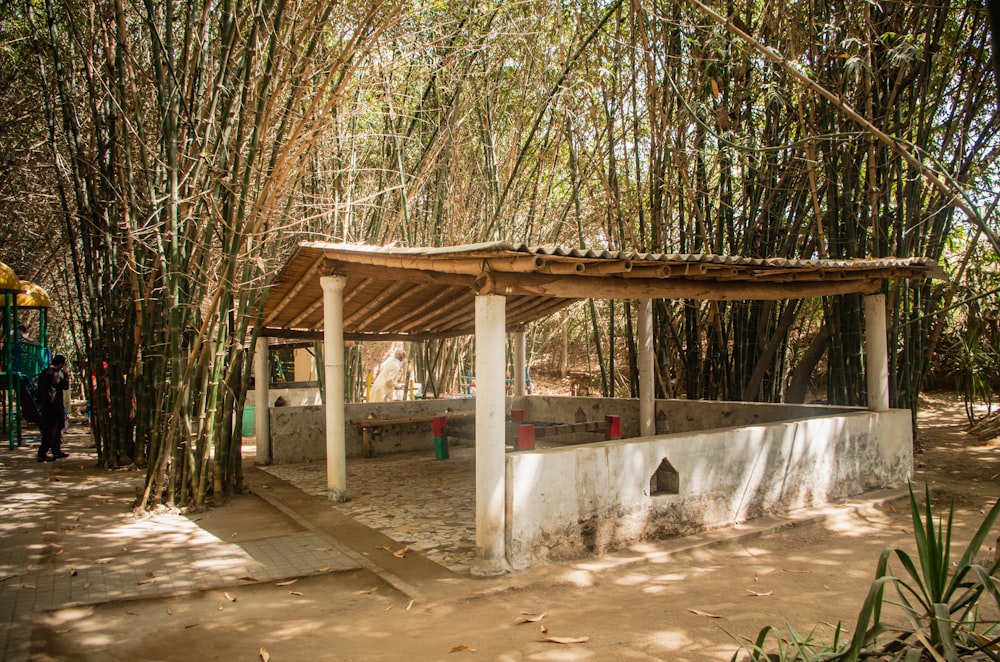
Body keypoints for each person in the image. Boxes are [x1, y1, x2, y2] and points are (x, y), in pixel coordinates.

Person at [37, 354, 70, 462]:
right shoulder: (53, 374)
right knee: (51, 431)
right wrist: (65, 375)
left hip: (48, 405)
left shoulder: (44, 372)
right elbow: (65, 385)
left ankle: (56, 450)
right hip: (53, 406)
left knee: (56, 430)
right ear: (60, 364)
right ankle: (42, 453)